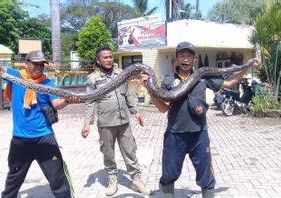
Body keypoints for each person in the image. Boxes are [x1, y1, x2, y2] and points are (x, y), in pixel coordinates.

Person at [140, 41, 261, 198]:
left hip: (199, 135)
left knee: (206, 176)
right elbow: (163, 108)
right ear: (176, 58)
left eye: (189, 55)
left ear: (194, 59)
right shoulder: (169, 80)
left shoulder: (203, 77)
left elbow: (230, 82)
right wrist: (149, 88)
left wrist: (247, 66)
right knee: (169, 174)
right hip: (174, 134)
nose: (185, 59)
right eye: (182, 55)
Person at [0, 51, 79, 198]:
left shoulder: (47, 83)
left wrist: (68, 100)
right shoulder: (16, 76)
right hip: (20, 140)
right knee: (13, 180)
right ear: (26, 64)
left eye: (42, 64)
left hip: (44, 138)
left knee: (58, 180)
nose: (40, 67)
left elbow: (56, 104)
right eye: (36, 64)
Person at [81, 46, 151, 196]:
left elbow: (127, 95)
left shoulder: (121, 74)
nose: (109, 59)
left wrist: (135, 112)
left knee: (130, 151)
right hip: (106, 123)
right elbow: (89, 101)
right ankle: (112, 180)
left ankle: (137, 180)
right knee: (108, 153)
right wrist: (87, 123)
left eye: (110, 57)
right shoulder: (93, 79)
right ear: (98, 60)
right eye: (105, 57)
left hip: (124, 121)